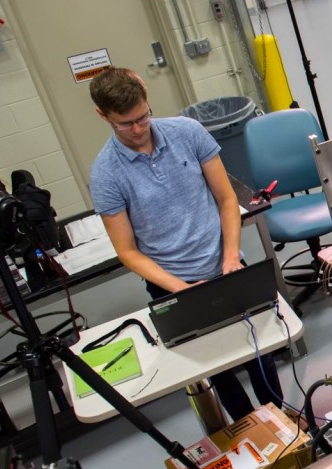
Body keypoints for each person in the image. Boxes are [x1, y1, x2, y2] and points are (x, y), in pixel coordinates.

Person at [88, 67, 283, 422]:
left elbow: (226, 200)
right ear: (102, 115)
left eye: (142, 117)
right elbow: (127, 251)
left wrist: (229, 259)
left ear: (147, 97)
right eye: (124, 124)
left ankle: (282, 421)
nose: (137, 129)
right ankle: (249, 430)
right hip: (172, 285)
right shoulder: (105, 174)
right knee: (214, 366)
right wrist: (183, 291)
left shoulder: (188, 132)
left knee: (258, 351)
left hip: (226, 265)